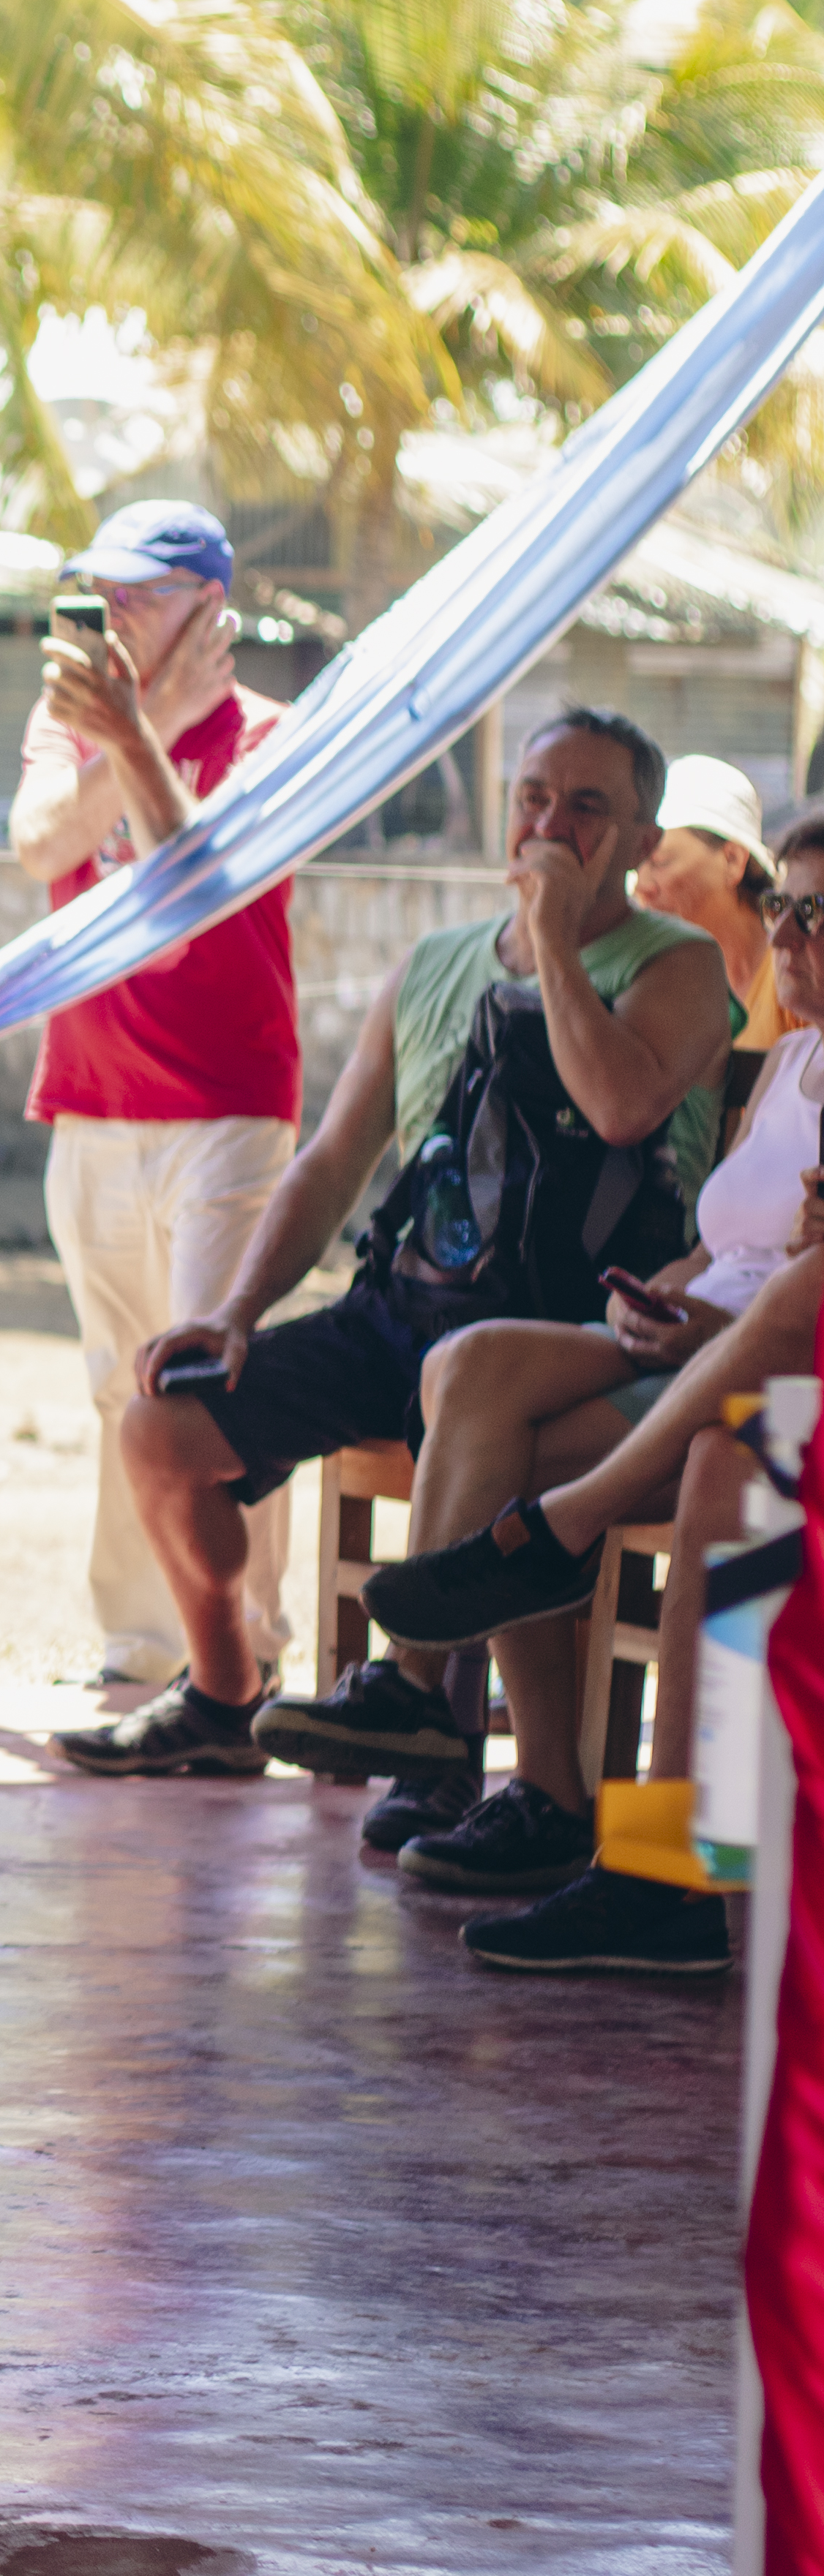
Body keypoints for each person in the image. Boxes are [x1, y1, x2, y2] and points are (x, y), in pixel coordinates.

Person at [64, 710, 735, 1839]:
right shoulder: (430, 965)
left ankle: (435, 1729)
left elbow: (623, 1106)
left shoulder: (679, 965)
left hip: (566, 1326)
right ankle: (228, 1694)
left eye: (587, 807)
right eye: (533, 796)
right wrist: (235, 1312)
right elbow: (334, 1159)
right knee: (160, 1431)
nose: (551, 825)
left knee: (471, 1406)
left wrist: (557, 942)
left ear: (638, 838)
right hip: (402, 1307)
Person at [340, 806, 824, 1937]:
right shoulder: (796, 1051)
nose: (788, 932)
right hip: (719, 1348)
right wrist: (673, 1294)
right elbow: (730, 1242)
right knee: (477, 1372)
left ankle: (665, 1870)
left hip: (775, 1386)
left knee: (724, 1457)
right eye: (782, 906)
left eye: (817, 912)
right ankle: (487, 1742)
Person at [7, 499, 298, 1692]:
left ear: (208, 606)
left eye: (142, 591)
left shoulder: (274, 734)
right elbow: (39, 846)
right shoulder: (66, 717)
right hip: (90, 1099)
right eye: (104, 590)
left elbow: (192, 907)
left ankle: (244, 1642)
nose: (116, 610)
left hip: (225, 1102)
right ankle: (141, 1641)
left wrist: (144, 742)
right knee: (109, 1378)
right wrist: (134, 730)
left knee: (202, 1385)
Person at [640, 754, 791, 1050]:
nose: (642, 888)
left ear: (733, 860)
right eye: (636, 866)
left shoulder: (796, 975)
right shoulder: (659, 980)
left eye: (660, 863)